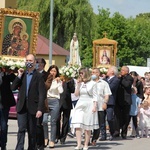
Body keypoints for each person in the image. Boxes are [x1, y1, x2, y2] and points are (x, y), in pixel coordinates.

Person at [11, 54, 46, 150]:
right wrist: (19, 76)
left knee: (31, 131)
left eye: (30, 60)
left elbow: (42, 94)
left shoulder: (38, 76)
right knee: (21, 129)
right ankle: (19, 148)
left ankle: (32, 147)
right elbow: (13, 87)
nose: (28, 62)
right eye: (27, 60)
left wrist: (40, 109)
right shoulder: (22, 75)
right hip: (22, 106)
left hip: (33, 107)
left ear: (34, 62)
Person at [71, 68, 99, 150]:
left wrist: (94, 106)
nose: (80, 75)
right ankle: (79, 144)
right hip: (80, 103)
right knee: (77, 124)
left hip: (89, 103)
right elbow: (76, 95)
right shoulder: (80, 83)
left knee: (87, 125)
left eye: (82, 73)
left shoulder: (93, 84)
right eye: (80, 73)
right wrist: (78, 85)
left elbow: (95, 96)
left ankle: (86, 144)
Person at [91, 68, 111, 145]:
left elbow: (106, 94)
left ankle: (94, 139)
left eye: (95, 72)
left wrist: (105, 102)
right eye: (92, 72)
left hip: (99, 105)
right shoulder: (89, 82)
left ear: (99, 74)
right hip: (90, 106)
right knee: (89, 123)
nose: (93, 74)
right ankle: (88, 138)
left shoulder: (104, 83)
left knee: (99, 123)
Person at [45, 65, 63, 148]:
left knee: (53, 121)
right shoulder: (45, 79)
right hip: (46, 100)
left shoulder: (58, 81)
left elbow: (61, 91)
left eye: (54, 71)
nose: (53, 72)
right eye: (51, 70)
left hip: (55, 101)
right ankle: (45, 138)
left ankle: (52, 140)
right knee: (44, 121)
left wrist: (59, 83)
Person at [114, 66, 134, 139]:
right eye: (121, 70)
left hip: (126, 100)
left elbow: (126, 85)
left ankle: (124, 132)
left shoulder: (129, 78)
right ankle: (116, 132)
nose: (121, 71)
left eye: (122, 70)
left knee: (126, 117)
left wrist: (121, 78)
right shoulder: (118, 78)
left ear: (127, 71)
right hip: (118, 100)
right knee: (117, 116)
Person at [0, 68, 16, 150]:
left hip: (4, 104)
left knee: (3, 126)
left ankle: (3, 144)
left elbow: (14, 80)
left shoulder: (6, 73)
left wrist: (10, 72)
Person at [56, 78, 75, 144]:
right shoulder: (57, 78)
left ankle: (63, 137)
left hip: (67, 102)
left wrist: (68, 82)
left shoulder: (70, 79)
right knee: (56, 119)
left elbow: (73, 90)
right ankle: (57, 136)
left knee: (66, 121)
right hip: (57, 101)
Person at [103, 66, 120, 141]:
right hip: (102, 100)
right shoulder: (105, 79)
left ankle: (112, 132)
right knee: (101, 119)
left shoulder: (116, 80)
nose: (107, 71)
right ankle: (103, 135)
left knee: (110, 118)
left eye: (108, 70)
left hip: (110, 101)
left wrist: (103, 82)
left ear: (112, 72)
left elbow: (110, 88)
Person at [36, 58, 48, 150]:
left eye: (39, 63)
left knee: (39, 124)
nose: (38, 65)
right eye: (36, 63)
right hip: (32, 101)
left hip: (41, 101)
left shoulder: (47, 75)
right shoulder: (32, 73)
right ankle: (34, 143)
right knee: (32, 125)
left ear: (43, 64)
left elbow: (47, 86)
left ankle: (40, 144)